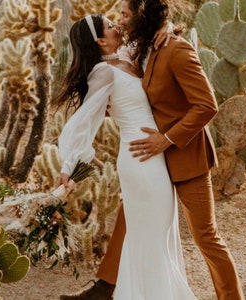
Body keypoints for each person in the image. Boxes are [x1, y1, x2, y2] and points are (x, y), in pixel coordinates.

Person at [65, 0, 245, 300]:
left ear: (142, 16)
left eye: (124, 15)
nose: (120, 21)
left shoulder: (176, 49)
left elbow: (207, 106)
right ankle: (105, 287)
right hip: (150, 160)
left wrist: (167, 139)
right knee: (130, 216)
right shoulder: (140, 49)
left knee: (206, 237)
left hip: (185, 156)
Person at [56, 14, 197, 300]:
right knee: (151, 235)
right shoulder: (104, 73)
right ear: (100, 40)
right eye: (110, 25)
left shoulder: (126, 55)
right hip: (139, 160)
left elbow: (155, 37)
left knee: (160, 232)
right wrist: (68, 166)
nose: (116, 26)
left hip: (154, 155)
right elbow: (85, 120)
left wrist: (166, 26)